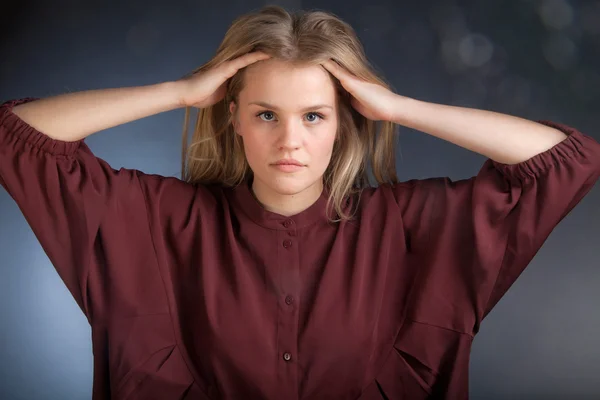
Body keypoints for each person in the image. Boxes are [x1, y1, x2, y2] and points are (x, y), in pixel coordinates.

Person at [1, 5, 599, 400]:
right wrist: (181, 92)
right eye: (266, 114)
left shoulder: (411, 227)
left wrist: (396, 108)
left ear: (345, 123)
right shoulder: (156, 221)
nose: (289, 140)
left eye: (314, 116)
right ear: (232, 118)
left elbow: (568, 161)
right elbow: (16, 137)